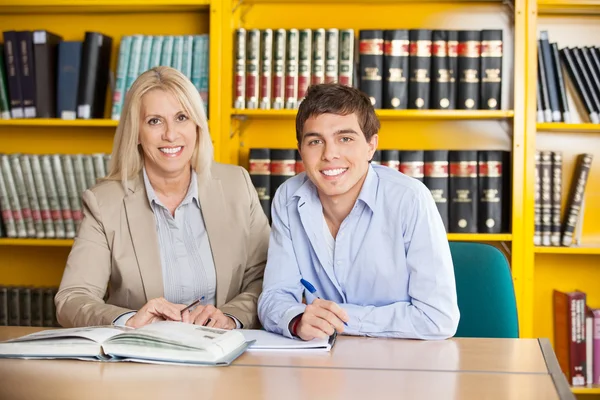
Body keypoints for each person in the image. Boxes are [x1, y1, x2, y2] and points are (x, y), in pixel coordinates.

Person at [55, 66, 270, 330]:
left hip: (223, 352)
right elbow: (72, 299)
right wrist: (130, 320)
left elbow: (265, 277)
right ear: (136, 132)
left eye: (181, 117)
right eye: (154, 121)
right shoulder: (104, 203)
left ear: (197, 126)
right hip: (141, 358)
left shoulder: (237, 185)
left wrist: (232, 317)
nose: (170, 134)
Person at [257, 83, 460, 341]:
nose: (330, 154)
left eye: (345, 138)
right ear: (301, 151)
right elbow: (274, 296)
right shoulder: (288, 197)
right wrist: (297, 320)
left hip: (401, 367)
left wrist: (335, 319)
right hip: (321, 367)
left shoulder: (409, 199)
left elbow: (437, 318)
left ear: (370, 146)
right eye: (315, 141)